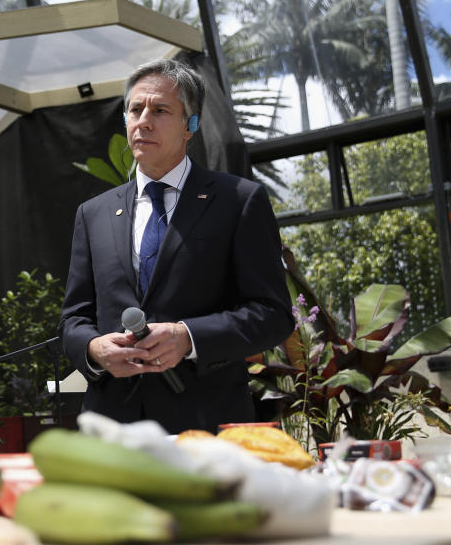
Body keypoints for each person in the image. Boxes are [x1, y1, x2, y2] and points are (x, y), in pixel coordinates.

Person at [59, 57, 294, 435]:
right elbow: (73, 319)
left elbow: (273, 314)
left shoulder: (239, 201)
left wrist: (188, 337)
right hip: (113, 426)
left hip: (206, 422)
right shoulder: (93, 213)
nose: (143, 120)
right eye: (135, 109)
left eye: (160, 109)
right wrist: (94, 350)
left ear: (191, 125)